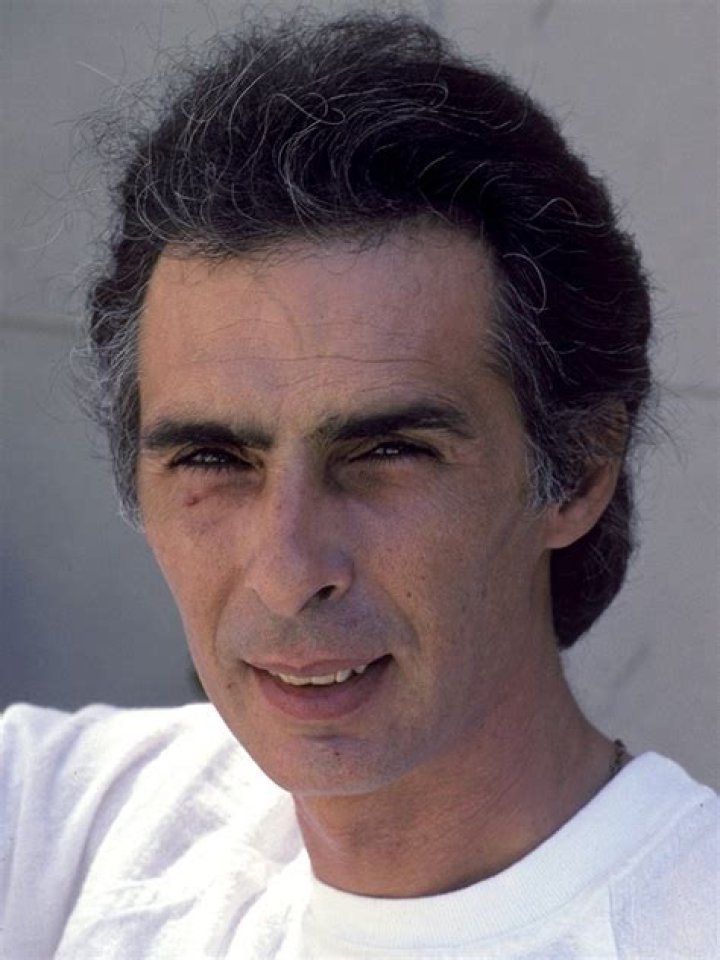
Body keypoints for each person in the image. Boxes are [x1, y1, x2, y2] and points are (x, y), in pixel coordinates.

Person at [1, 11, 717, 959]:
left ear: (578, 471)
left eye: (385, 453)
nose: (287, 572)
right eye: (213, 459)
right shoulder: (57, 826)